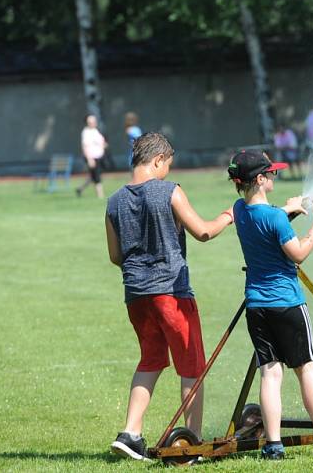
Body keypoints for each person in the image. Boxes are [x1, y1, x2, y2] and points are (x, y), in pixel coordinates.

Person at [106, 132, 236, 461]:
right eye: (168, 165)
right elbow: (203, 231)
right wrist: (228, 216)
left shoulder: (114, 201)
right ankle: (193, 443)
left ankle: (130, 433)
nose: (168, 171)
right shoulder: (169, 191)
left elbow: (114, 255)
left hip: (136, 295)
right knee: (192, 367)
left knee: (150, 360)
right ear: (158, 160)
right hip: (172, 293)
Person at [227, 149, 313, 460]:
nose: (275, 175)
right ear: (260, 179)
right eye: (271, 173)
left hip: (257, 306)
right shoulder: (274, 217)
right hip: (287, 303)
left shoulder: (240, 209)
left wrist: (286, 212)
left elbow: (264, 229)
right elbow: (298, 253)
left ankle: (273, 446)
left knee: (271, 374)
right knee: (306, 368)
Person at [76, 114, 107, 199]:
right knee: (97, 176)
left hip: (100, 156)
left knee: (95, 175)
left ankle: (81, 188)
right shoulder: (86, 132)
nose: (93, 123)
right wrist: (89, 159)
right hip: (92, 157)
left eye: (94, 121)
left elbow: (101, 142)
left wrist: (104, 145)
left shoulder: (96, 130)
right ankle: (100, 195)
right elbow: (85, 146)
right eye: (91, 122)